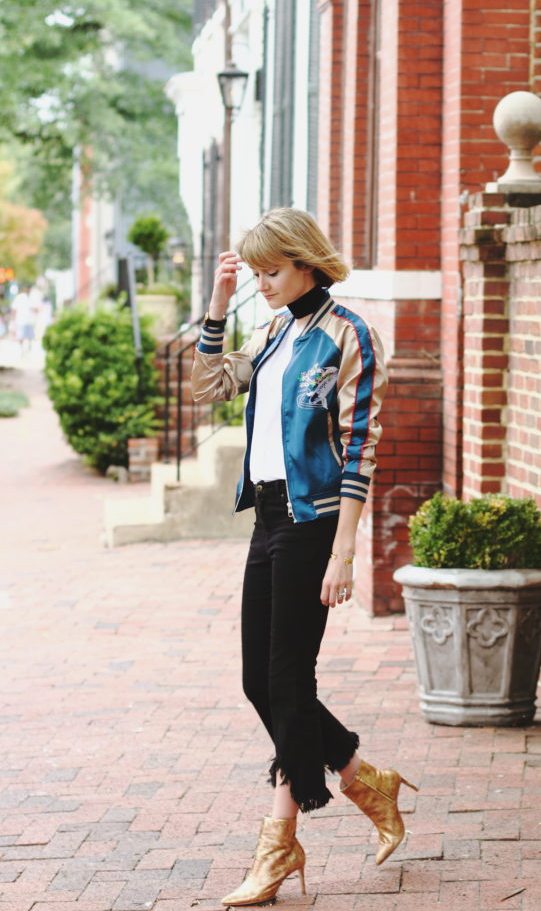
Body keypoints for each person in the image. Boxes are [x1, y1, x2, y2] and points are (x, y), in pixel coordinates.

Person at [191, 207, 417, 907]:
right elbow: (208, 388)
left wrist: (345, 551)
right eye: (255, 273)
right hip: (266, 516)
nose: (262, 283)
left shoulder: (347, 334)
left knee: (286, 680)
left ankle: (278, 845)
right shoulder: (273, 330)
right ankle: (357, 776)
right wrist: (215, 307)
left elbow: (359, 445)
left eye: (271, 271)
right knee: (258, 681)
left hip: (314, 521)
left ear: (305, 263)